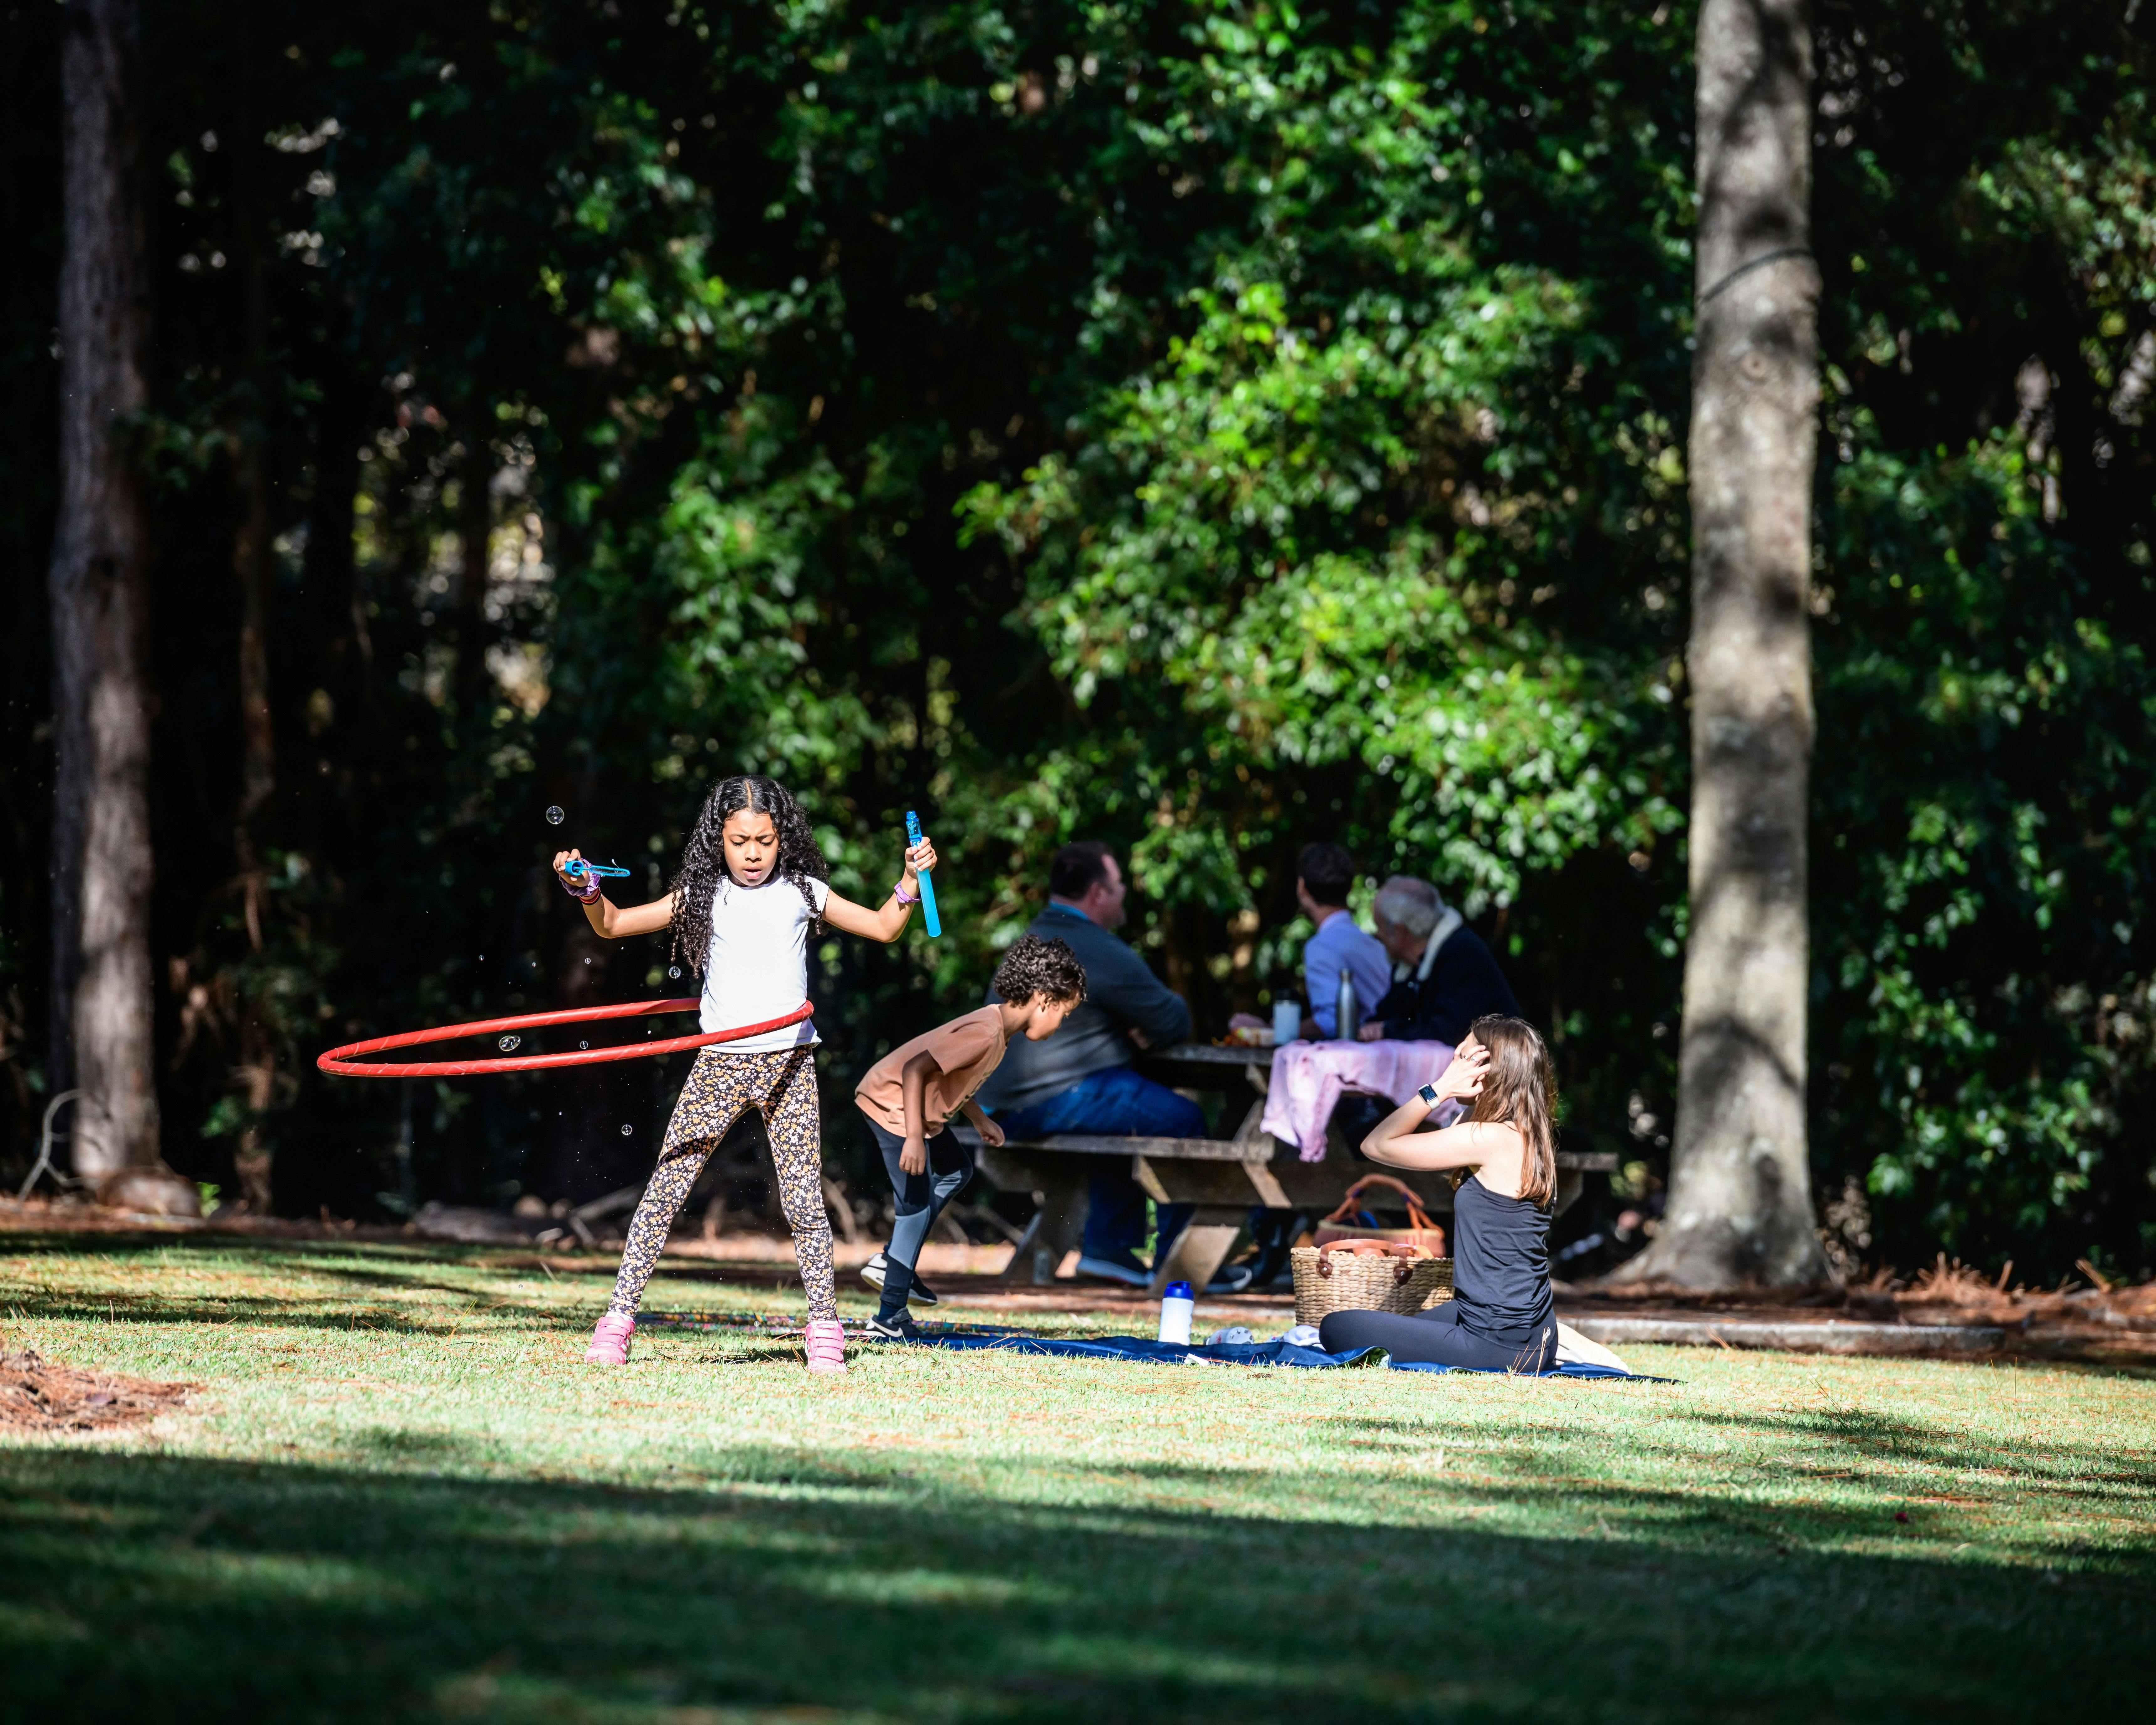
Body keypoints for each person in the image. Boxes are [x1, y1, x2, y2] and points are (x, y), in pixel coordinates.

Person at [556, 774, 934, 1376]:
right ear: (719, 839)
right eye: (739, 841)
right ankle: (617, 1322)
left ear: (783, 838)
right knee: (665, 1191)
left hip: (790, 1062)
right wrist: (587, 888)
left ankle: (825, 1328)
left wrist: (912, 881)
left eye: (764, 839)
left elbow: (886, 926)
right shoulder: (700, 895)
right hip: (720, 1064)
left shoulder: (803, 890)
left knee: (806, 1199)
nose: (753, 853)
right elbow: (614, 925)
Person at [975, 841, 1203, 1286]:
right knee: (1186, 1120)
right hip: (1043, 1101)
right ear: (1098, 894)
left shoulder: (1032, 937)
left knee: (1124, 1112)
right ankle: (1181, 1268)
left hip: (999, 1104)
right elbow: (1174, 1021)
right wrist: (1129, 1026)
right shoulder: (1096, 946)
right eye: (1119, 886)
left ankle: (1110, 1249)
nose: (1123, 896)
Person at [853, 936, 1088, 1339]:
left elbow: (955, 1078)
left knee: (954, 1170)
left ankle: (895, 1261)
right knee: (913, 1204)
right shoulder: (985, 1032)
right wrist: (912, 1138)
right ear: (1045, 999)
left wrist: (978, 1119)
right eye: (1064, 1014)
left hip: (920, 1113)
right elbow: (914, 1070)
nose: (1060, 1025)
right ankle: (889, 1314)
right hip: (893, 1105)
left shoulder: (998, 1032)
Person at [1318, 1017, 1559, 1371]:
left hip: (1497, 1341)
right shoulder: (1528, 1135)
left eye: (1462, 1057)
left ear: (1488, 1070)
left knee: (1336, 1327)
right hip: (1532, 1332)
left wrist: (1440, 1088)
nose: (1452, 1065)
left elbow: (1376, 1144)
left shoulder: (1489, 1138)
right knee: (1403, 1323)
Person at [1359, 876, 1521, 1046]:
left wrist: (1386, 1031)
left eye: (1380, 926)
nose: (1377, 936)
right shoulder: (1409, 965)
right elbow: (1387, 1016)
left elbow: (1448, 1033)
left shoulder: (1462, 953)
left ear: (1400, 932)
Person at [1296, 842, 1393, 1040]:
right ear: (1350, 888)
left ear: (1301, 888)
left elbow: (1331, 1022)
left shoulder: (1320, 947)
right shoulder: (1377, 944)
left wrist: (1275, 1031)